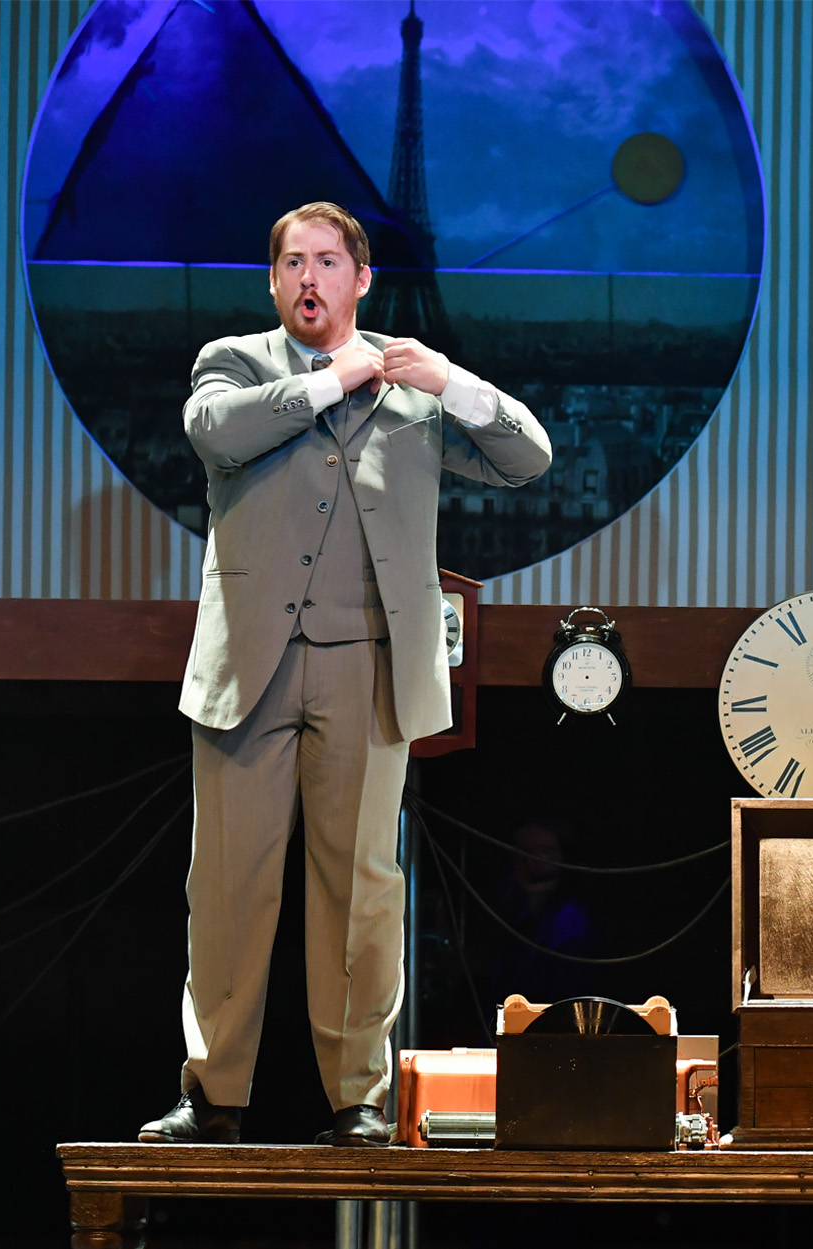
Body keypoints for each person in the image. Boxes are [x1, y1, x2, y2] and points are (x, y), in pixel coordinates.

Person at [139, 202, 551, 1147]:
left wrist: (449, 380)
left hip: (368, 671)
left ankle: (357, 1096)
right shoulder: (235, 361)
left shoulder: (412, 391)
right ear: (273, 281)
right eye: (293, 262)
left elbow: (528, 457)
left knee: (361, 889)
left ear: (362, 280)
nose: (309, 278)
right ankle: (214, 1093)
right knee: (229, 884)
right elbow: (215, 431)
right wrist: (335, 377)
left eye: (328, 261)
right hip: (249, 670)